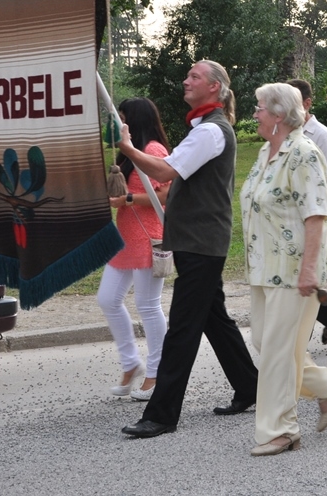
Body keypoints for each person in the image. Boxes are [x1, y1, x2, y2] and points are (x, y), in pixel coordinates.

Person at [120, 60, 258, 439]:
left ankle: (162, 414)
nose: (186, 80)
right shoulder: (204, 128)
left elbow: (165, 171)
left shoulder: (211, 131)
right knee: (215, 319)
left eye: (195, 76)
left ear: (214, 87)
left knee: (182, 329)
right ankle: (250, 386)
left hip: (201, 243)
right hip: (198, 241)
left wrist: (128, 148)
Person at [240, 83, 327, 457]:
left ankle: (281, 430)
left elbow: (317, 214)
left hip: (292, 269)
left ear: (279, 115)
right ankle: (325, 387)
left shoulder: (303, 153)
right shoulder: (265, 152)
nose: (255, 114)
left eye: (259, 108)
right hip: (262, 266)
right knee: (265, 342)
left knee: (277, 351)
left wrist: (310, 271)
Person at [100, 98, 171, 401]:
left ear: (136, 120)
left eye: (123, 118)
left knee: (148, 305)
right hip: (126, 237)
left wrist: (127, 200)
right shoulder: (130, 151)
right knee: (107, 299)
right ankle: (131, 363)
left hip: (148, 236)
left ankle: (157, 373)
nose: (119, 124)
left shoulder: (153, 150)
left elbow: (165, 194)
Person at [288, 79, 327, 344]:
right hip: (292, 217)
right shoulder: (287, 132)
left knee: (301, 275)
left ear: (307, 103)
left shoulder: (322, 136)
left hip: (312, 216)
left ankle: (304, 333)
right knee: (295, 274)